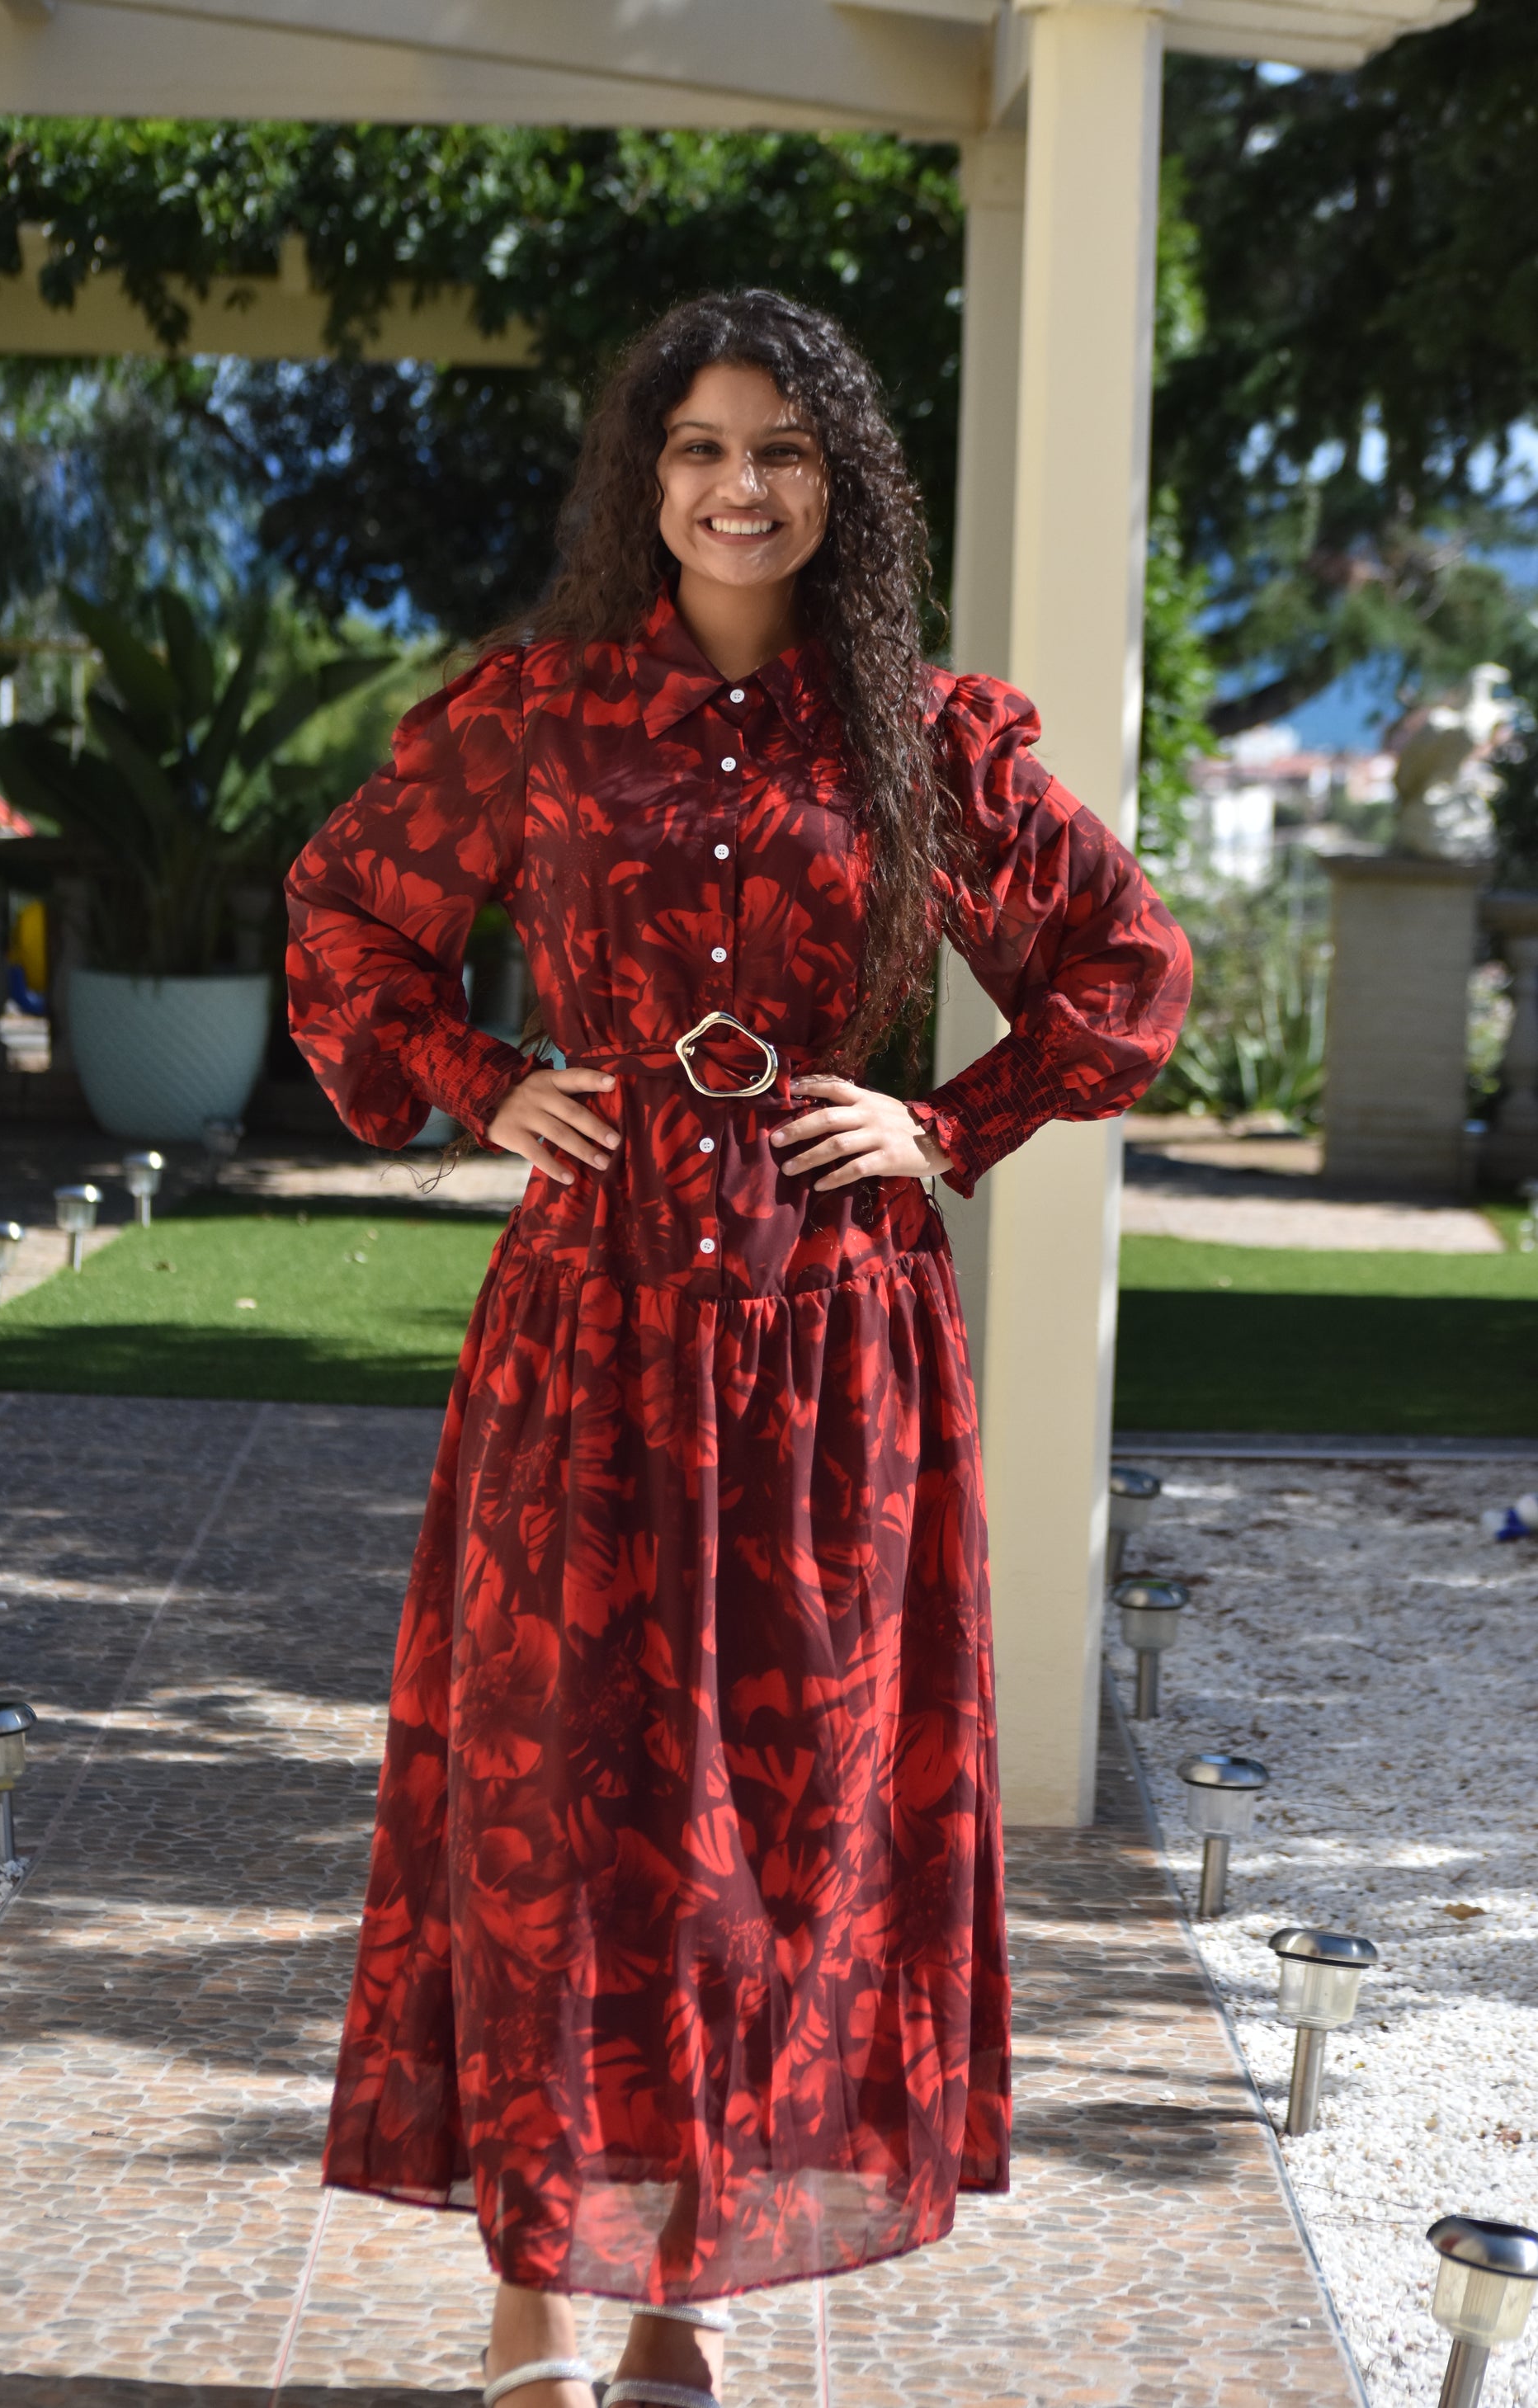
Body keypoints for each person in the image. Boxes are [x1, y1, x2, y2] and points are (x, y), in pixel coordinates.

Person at [285, 286, 1191, 2408]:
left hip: (828, 1344)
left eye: (780, 449)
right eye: (697, 447)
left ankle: (683, 2292)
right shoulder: (541, 717)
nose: (738, 485)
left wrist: (945, 1121)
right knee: (550, 1806)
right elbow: (344, 909)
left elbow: (1123, 961)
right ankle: (530, 2298)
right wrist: (475, 1070)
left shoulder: (916, 736)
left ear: (839, 483)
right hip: (586, 1333)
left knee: (762, 1837)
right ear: (645, 479)